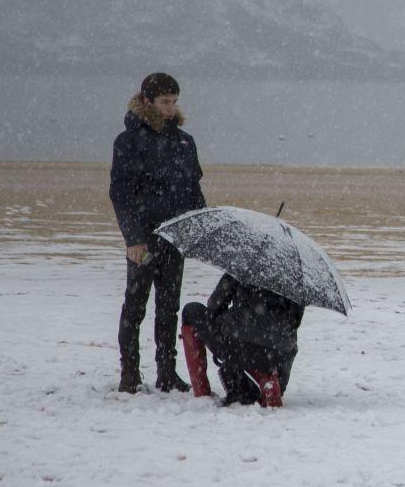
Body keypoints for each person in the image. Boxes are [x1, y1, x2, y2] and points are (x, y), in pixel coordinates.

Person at [109, 72, 207, 393]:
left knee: (168, 307)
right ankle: (130, 373)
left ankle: (167, 372)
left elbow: (194, 191)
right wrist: (133, 239)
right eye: (165, 101)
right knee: (135, 305)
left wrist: (198, 227)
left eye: (174, 101)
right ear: (147, 101)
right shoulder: (128, 141)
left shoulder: (184, 141)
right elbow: (121, 194)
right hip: (144, 238)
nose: (170, 107)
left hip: (175, 237)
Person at [181, 273, 305, 407]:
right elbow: (295, 321)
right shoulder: (296, 276)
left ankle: (202, 390)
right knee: (257, 348)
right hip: (278, 356)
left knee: (191, 310)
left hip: (238, 344)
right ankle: (267, 378)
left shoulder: (244, 264)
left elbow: (214, 305)